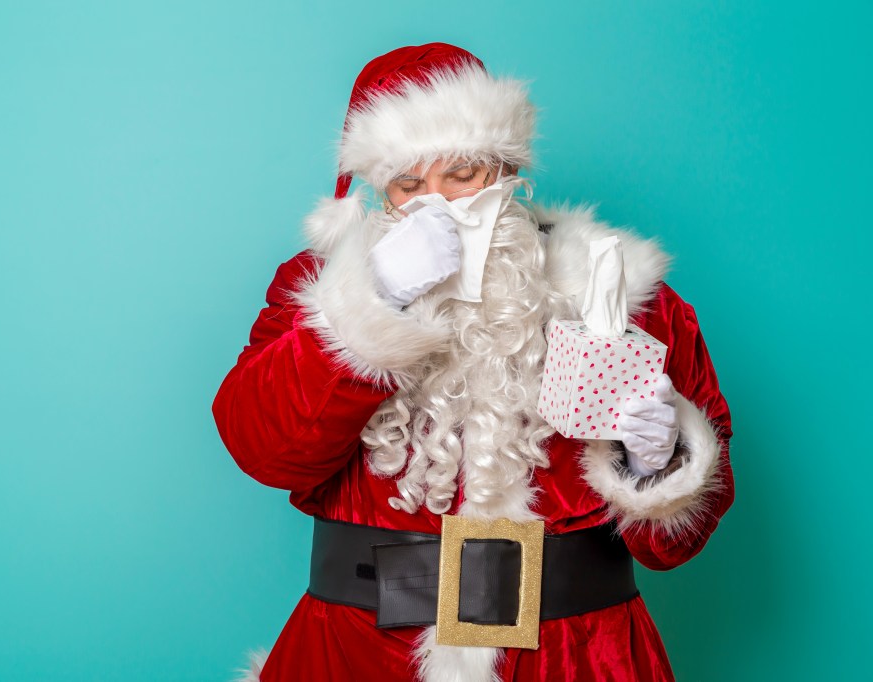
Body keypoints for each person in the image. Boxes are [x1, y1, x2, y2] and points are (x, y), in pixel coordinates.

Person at [213, 43, 734, 682]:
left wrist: (656, 469)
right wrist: (374, 304)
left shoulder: (622, 290)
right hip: (360, 654)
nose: (439, 203)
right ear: (379, 193)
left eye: (461, 174)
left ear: (506, 168)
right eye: (409, 183)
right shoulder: (318, 291)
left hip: (575, 656)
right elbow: (264, 450)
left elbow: (676, 545)